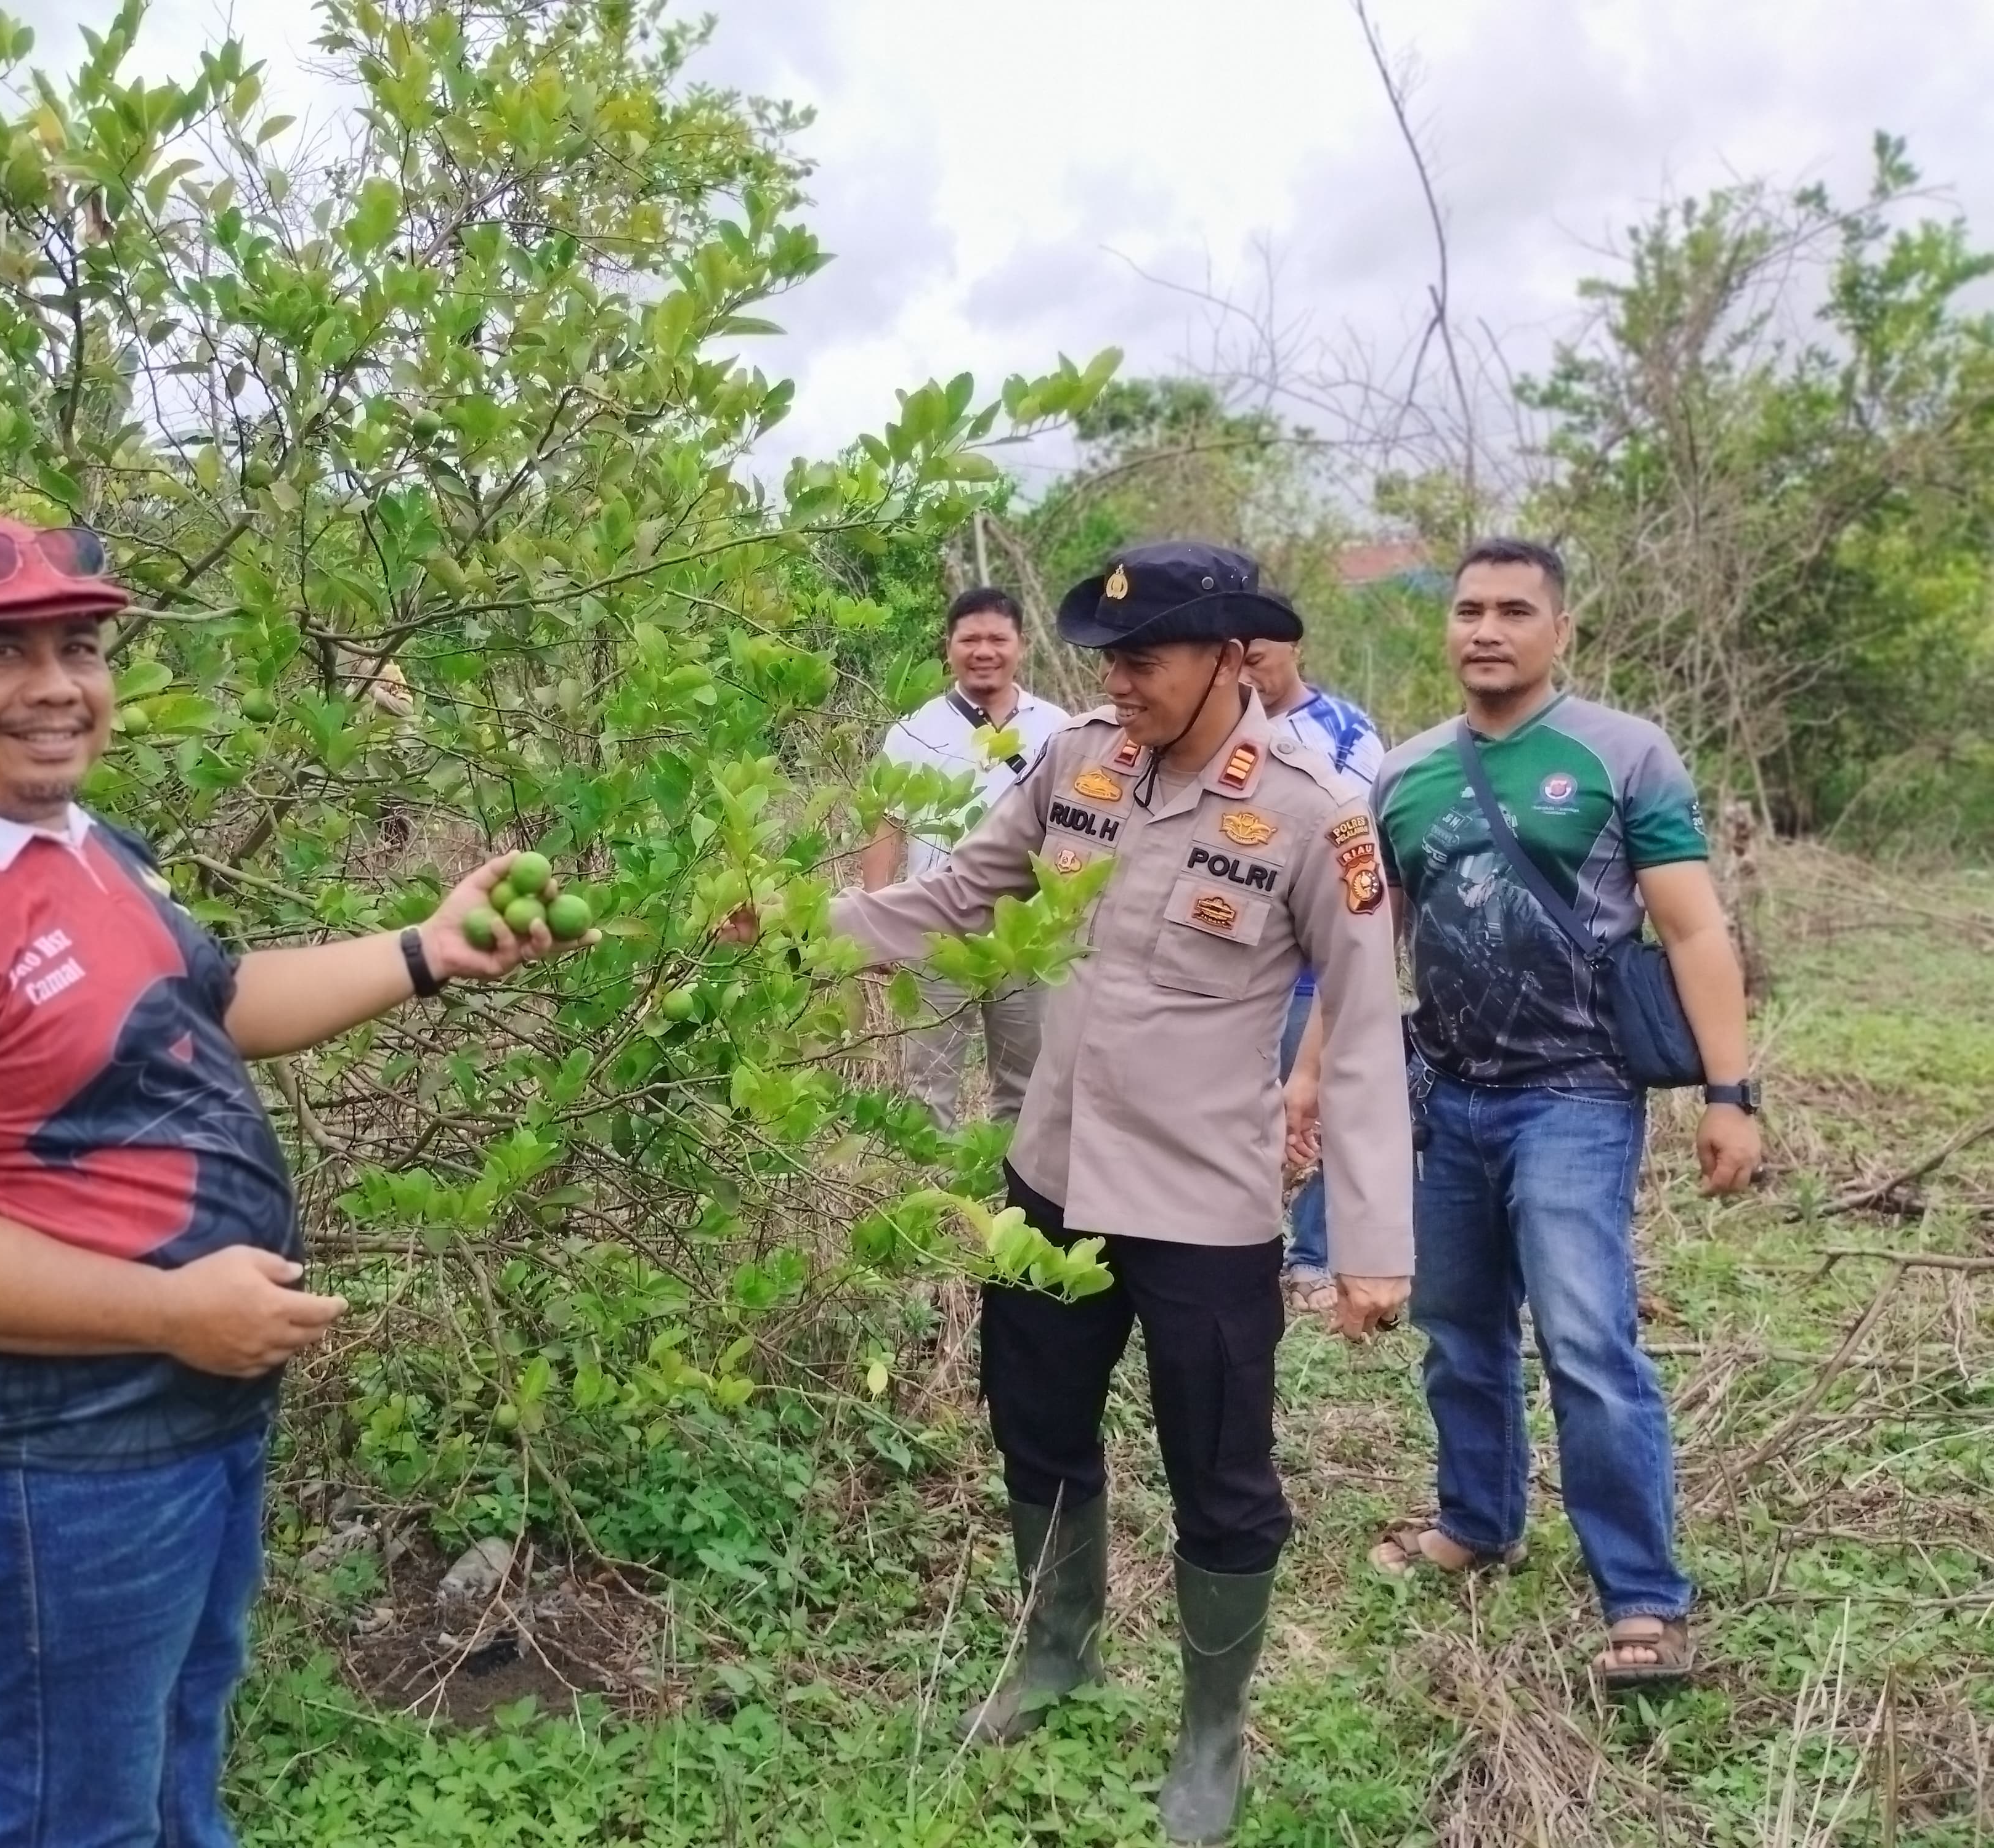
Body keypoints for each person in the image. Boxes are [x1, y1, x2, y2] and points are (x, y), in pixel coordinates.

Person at [0, 510, 588, 1846]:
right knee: (72, 1816)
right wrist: (170, 1310)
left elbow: (216, 1001)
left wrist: (424, 950)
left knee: (177, 1743)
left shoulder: (79, 844)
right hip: (44, 1454)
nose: (56, 686)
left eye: (78, 648)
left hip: (178, 1418)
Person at [729, 540, 1414, 1844]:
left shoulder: (1315, 813)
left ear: (1228, 657)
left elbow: (1369, 1028)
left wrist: (1374, 1242)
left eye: (1144, 659)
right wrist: (801, 926)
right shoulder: (1074, 764)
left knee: (1220, 1475)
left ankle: (1210, 1735)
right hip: (1049, 1176)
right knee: (1033, 1425)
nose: (1118, 682)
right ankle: (1056, 1653)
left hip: (1203, 1206)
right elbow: (954, 894)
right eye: (1106, 660)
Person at [1297, 536, 1759, 1693]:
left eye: (1513, 611)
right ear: (1447, 629)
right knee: (1458, 1329)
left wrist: (1730, 1093)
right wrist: (1309, 1080)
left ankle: (1643, 1598)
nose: (1487, 630)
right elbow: (1361, 950)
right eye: (1469, 611)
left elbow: (1695, 928)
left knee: (1588, 1342)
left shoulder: (1623, 754)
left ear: (1561, 630)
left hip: (1577, 1095)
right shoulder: (1403, 776)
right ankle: (1477, 1522)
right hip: (1448, 1096)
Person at [861, 585, 1073, 1130]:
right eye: (970, 639)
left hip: (1026, 931)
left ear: (1022, 645)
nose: (984, 651)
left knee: (1026, 1085)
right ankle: (930, 1183)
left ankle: (1009, 1185)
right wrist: (879, 917)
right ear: (949, 646)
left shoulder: (1060, 729)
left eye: (997, 639)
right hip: (938, 926)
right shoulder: (915, 729)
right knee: (928, 1083)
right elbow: (887, 824)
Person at [1239, 626, 1383, 1317]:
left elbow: (1362, 845)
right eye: (1235, 663)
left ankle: (1314, 1255)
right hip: (1237, 961)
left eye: (1258, 660)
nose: (1247, 677)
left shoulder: (1347, 734)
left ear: (1296, 649)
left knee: (1317, 1108)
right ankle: (1246, 1246)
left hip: (1310, 966)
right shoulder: (1216, 729)